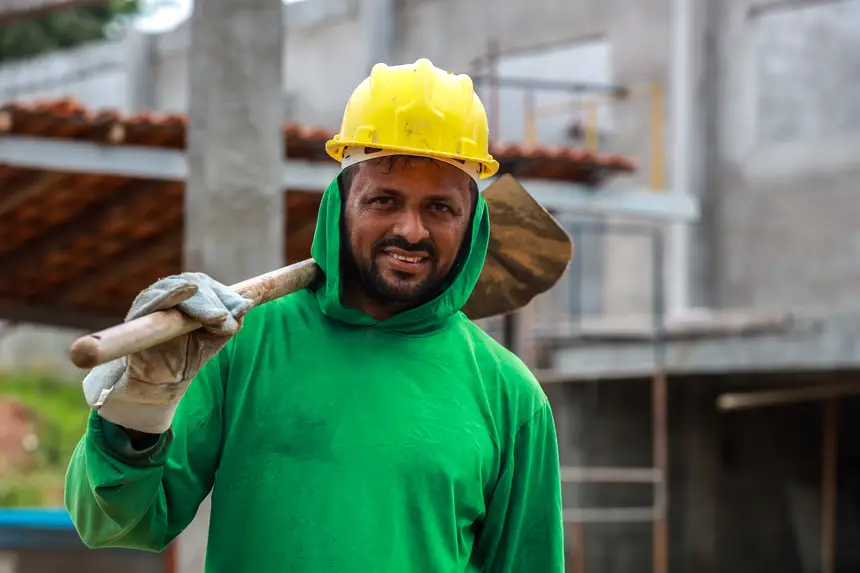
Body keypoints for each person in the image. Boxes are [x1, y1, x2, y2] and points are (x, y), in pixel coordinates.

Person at [65, 58, 565, 573]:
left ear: (473, 222)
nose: (411, 231)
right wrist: (140, 407)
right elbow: (114, 523)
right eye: (384, 200)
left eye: (440, 208)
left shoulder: (510, 396)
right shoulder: (240, 342)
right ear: (341, 204)